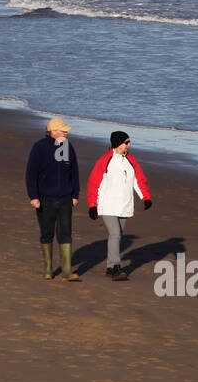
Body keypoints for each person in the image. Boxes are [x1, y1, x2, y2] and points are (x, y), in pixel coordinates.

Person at [86, 131, 153, 281]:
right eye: (126, 142)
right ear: (118, 143)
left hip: (124, 204)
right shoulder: (104, 160)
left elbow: (139, 180)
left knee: (117, 235)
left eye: (129, 142)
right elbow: (94, 184)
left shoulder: (131, 160)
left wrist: (145, 198)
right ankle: (116, 267)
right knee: (115, 234)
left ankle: (110, 267)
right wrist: (92, 205)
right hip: (108, 204)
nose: (129, 145)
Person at [25, 117, 82, 281]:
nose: (66, 132)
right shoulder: (39, 147)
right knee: (46, 233)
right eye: (64, 130)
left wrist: (75, 195)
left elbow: (74, 172)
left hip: (65, 198)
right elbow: (31, 174)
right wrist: (34, 196)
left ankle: (66, 272)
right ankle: (48, 270)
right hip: (44, 199)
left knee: (65, 233)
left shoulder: (67, 146)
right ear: (53, 132)